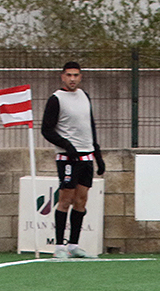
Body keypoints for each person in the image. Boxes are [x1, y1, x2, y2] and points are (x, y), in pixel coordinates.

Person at [41, 61, 105, 259]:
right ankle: (59, 246)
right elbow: (46, 130)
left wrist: (97, 155)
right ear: (62, 76)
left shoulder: (84, 96)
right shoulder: (56, 99)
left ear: (80, 77)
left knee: (81, 200)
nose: (72, 79)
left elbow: (90, 125)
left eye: (76, 75)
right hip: (68, 157)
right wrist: (67, 145)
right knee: (66, 199)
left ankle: (74, 245)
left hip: (86, 156)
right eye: (69, 75)